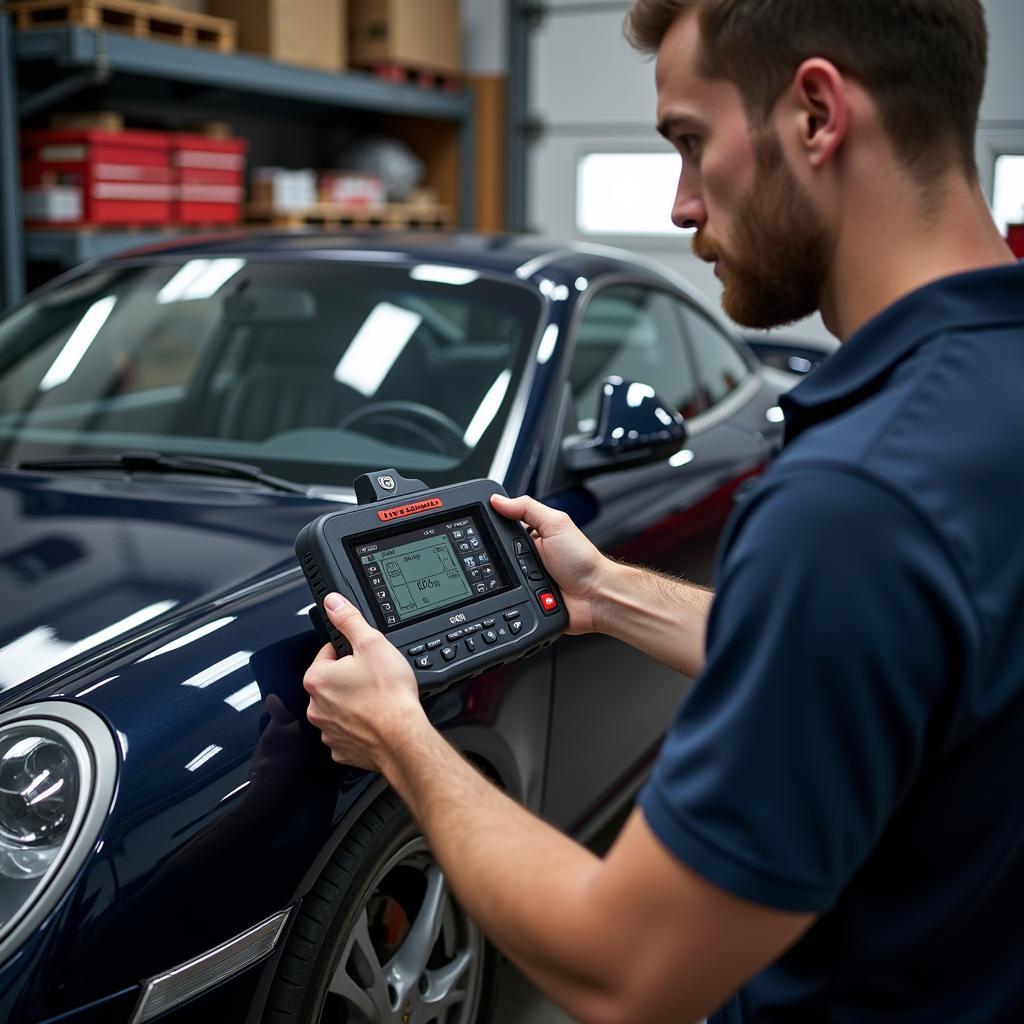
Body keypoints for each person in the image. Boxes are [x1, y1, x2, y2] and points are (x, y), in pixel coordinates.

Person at [304, 0, 1024, 1019]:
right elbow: (901, 659)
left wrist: (401, 741)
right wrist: (602, 595)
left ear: (816, 115)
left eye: (691, 142)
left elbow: (626, 966)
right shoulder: (984, 390)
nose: (683, 205)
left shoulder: (856, 496)